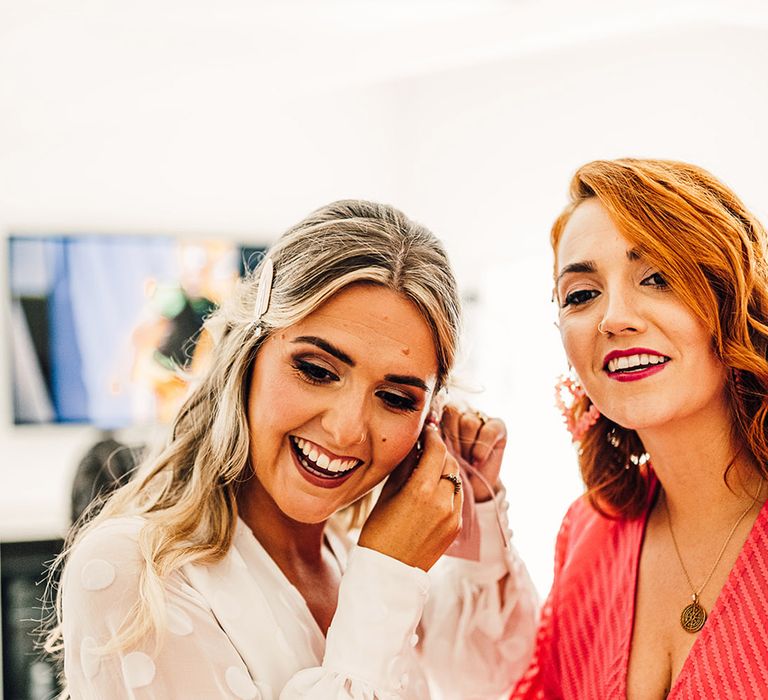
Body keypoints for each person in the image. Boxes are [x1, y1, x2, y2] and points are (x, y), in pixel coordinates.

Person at [47, 200, 538, 699]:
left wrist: (471, 499)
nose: (347, 431)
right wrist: (385, 579)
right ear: (249, 356)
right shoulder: (134, 574)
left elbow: (487, 674)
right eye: (317, 370)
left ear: (429, 417)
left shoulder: (354, 557)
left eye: (395, 398)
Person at [512, 159, 768, 699]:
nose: (613, 318)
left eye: (658, 278)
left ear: (734, 297)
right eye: (581, 295)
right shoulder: (586, 534)